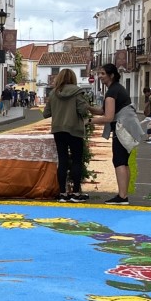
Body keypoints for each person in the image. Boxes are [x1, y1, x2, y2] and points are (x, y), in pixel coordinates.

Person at [91, 63, 140, 205]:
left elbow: (108, 117)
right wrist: (87, 107)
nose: (100, 77)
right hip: (128, 127)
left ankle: (122, 196)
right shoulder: (116, 89)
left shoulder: (112, 92)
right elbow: (102, 111)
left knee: (119, 161)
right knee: (123, 161)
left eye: (103, 74)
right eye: (99, 74)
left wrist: (89, 121)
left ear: (111, 75)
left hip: (123, 128)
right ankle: (124, 194)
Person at [43, 68, 93, 202]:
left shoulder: (54, 93)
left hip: (58, 130)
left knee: (62, 160)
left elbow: (46, 113)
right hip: (74, 130)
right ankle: (76, 193)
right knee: (76, 160)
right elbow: (82, 111)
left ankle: (63, 194)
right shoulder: (78, 92)